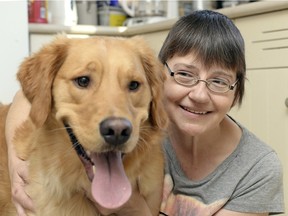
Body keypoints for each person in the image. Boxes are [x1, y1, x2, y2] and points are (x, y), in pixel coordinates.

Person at [5, 10, 284, 216]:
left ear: (237, 92)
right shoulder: (160, 123)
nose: (199, 95)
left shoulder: (257, 168)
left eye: (219, 81)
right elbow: (25, 98)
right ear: (163, 79)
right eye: (185, 74)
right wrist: (17, 165)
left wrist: (135, 209)